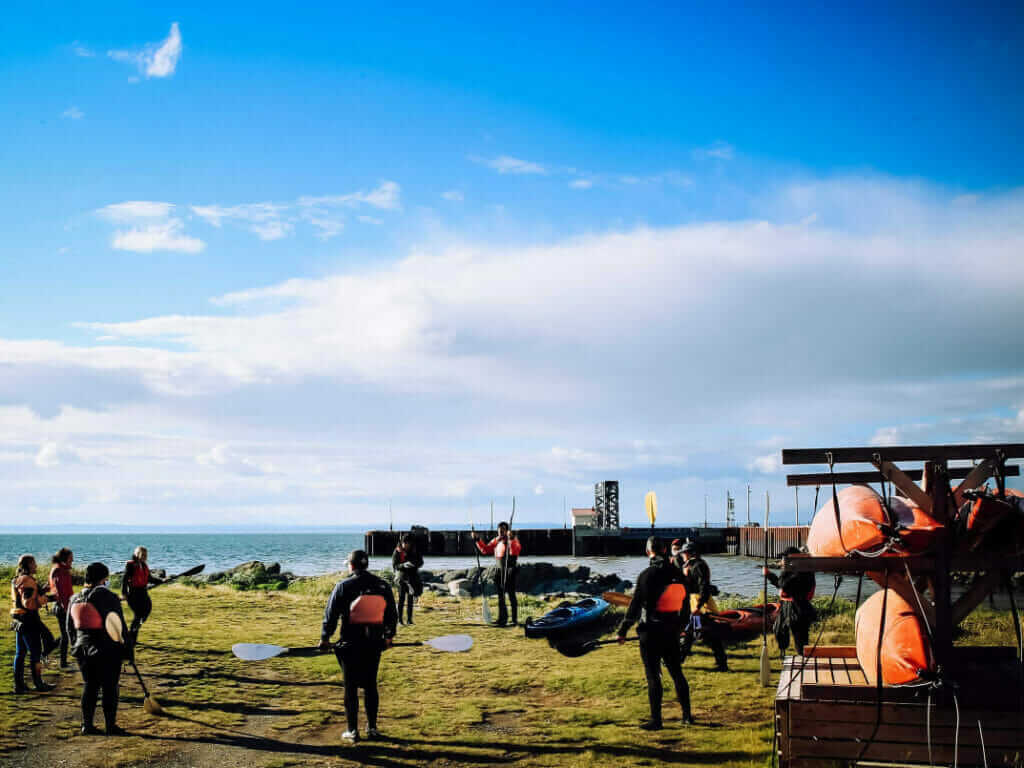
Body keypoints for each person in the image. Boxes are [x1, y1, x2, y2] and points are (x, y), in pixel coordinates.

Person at [319, 549, 398, 744]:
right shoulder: (382, 585)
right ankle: (372, 728)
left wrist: (325, 638)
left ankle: (352, 731)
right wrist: (389, 636)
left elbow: (331, 615)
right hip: (374, 644)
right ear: (366, 564)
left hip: (350, 644)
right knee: (370, 685)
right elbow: (392, 615)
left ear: (351, 565)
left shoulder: (343, 586)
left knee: (350, 686)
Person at [617, 536, 693, 730]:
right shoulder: (678, 573)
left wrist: (623, 630)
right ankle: (687, 716)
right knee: (676, 672)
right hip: (672, 631)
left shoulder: (646, 575)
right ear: (665, 550)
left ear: (647, 552)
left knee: (653, 675)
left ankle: (656, 720)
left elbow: (635, 606)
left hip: (650, 632)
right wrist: (681, 627)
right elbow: (686, 605)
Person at [67, 562, 128, 735]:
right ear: (104, 578)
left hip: (82, 649)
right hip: (106, 648)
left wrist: (75, 645)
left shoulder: (74, 598)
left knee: (90, 685)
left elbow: (69, 628)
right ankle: (110, 726)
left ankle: (87, 725)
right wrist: (127, 649)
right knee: (110, 687)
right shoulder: (108, 596)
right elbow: (119, 625)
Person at [677, 541, 728, 672]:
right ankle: (721, 663)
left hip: (701, 604)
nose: (682, 555)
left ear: (690, 553)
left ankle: (677, 660)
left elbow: (704, 587)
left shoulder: (699, 566)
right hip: (694, 602)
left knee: (696, 633)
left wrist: (698, 606)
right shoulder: (691, 565)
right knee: (698, 634)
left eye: (684, 553)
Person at [10, 554, 57, 694]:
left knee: (20, 653)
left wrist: (41, 591)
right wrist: (47, 598)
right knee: (35, 653)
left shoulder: (17, 579)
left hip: (19, 619)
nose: (36, 565)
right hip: (29, 620)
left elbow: (24, 598)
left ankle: (19, 685)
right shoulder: (27, 580)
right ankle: (38, 684)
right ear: (29, 565)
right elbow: (28, 603)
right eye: (34, 563)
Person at [763, 546, 817, 658]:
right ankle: (783, 652)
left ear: (791, 559)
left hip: (799, 606)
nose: (782, 561)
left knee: (800, 636)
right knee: (779, 629)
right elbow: (781, 584)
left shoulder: (802, 571)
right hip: (787, 604)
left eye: (784, 558)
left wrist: (784, 570)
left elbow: (783, 584)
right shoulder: (793, 570)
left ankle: (803, 658)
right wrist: (769, 575)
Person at [472, 521, 522, 626]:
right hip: (499, 570)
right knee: (500, 596)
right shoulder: (496, 540)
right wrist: (477, 540)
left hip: (510, 570)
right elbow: (485, 550)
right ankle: (502, 619)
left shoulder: (513, 540)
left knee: (511, 595)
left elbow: (515, 550)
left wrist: (511, 539)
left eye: (502, 531)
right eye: (499, 531)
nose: (500, 533)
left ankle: (514, 620)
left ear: (507, 531)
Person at [122, 546, 164, 642]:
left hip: (143, 592)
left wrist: (161, 580)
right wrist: (124, 593)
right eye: (143, 554)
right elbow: (124, 579)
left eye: (146, 555)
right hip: (133, 593)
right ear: (137, 555)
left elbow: (149, 578)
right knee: (138, 614)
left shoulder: (144, 565)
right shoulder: (131, 565)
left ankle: (132, 633)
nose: (145, 557)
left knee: (147, 609)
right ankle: (132, 637)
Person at [49, 548, 75, 669]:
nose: (73, 560)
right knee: (66, 634)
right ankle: (63, 663)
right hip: (63, 607)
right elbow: (60, 590)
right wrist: (65, 607)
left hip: (64, 605)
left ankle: (49, 649)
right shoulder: (60, 570)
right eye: (70, 558)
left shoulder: (60, 569)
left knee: (67, 633)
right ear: (64, 558)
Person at [392, 534, 424, 625]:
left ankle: (409, 620)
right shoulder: (397, 551)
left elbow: (421, 562)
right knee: (401, 599)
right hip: (401, 577)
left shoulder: (415, 550)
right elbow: (395, 566)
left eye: (408, 543)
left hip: (412, 577)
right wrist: (403, 565)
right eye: (405, 543)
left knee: (410, 599)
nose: (406, 545)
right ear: (402, 543)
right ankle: (399, 620)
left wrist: (414, 564)